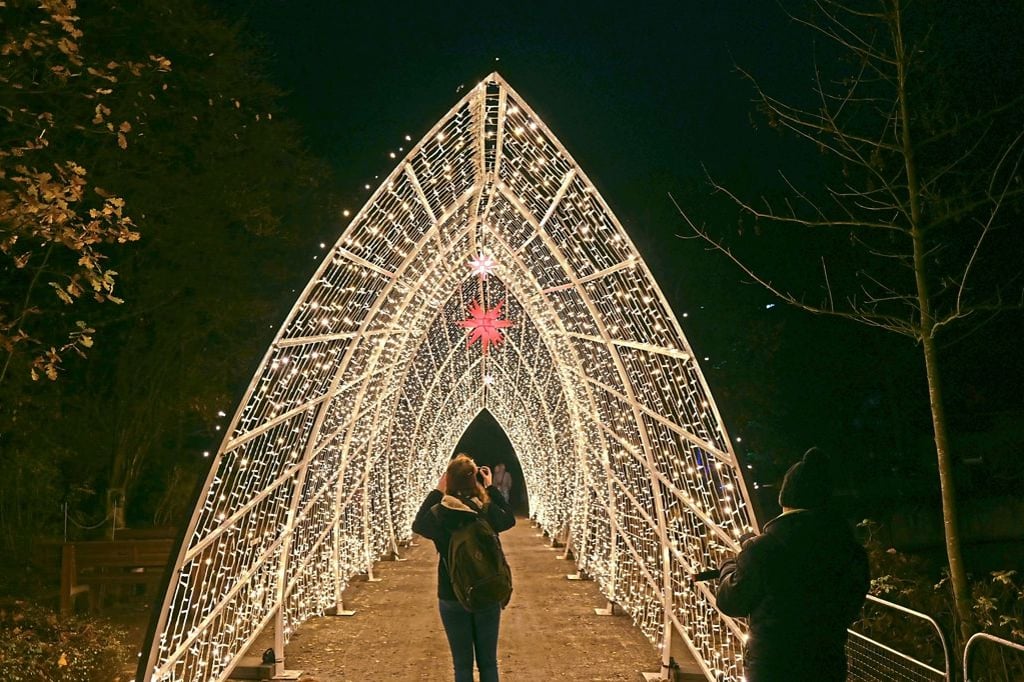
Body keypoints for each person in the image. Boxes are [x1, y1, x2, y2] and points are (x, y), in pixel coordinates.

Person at [715, 447, 870, 681]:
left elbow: (731, 602)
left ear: (786, 497)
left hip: (773, 666)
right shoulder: (850, 551)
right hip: (826, 664)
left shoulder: (763, 548)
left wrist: (731, 565)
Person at [412, 453, 516, 682]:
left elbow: (418, 524)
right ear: (474, 480)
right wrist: (490, 487)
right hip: (486, 591)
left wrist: (438, 491)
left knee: (462, 666)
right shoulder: (485, 511)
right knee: (488, 663)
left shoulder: (441, 514)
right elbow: (508, 519)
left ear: (448, 480)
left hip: (451, 594)